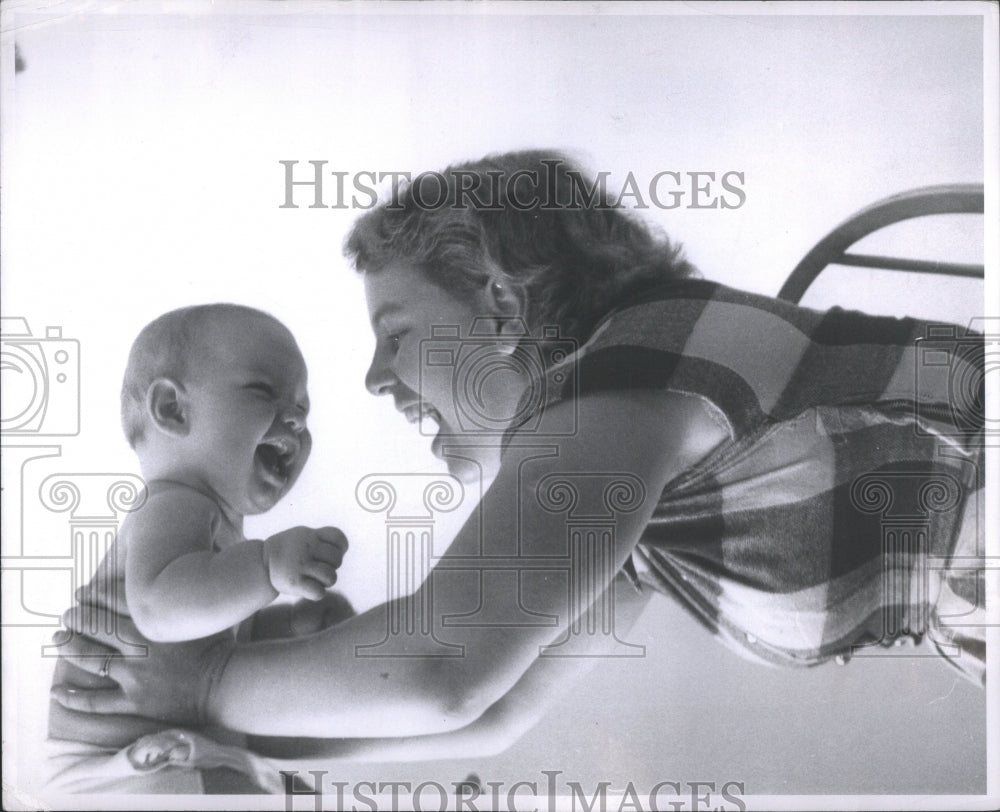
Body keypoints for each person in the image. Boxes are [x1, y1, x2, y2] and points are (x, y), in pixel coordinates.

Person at [49, 151, 986, 771]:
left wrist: (208, 685)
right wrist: (196, 717)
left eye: (397, 333)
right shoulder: (639, 470)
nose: (375, 379)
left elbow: (446, 666)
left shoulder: (626, 373)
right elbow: (488, 709)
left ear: (500, 307)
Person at [46, 304, 350, 793]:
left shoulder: (219, 535)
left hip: (155, 754)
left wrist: (290, 626)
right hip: (110, 767)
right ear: (173, 410)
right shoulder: (174, 505)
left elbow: (208, 643)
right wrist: (267, 568)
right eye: (263, 392)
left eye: (302, 407)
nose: (294, 418)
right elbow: (160, 612)